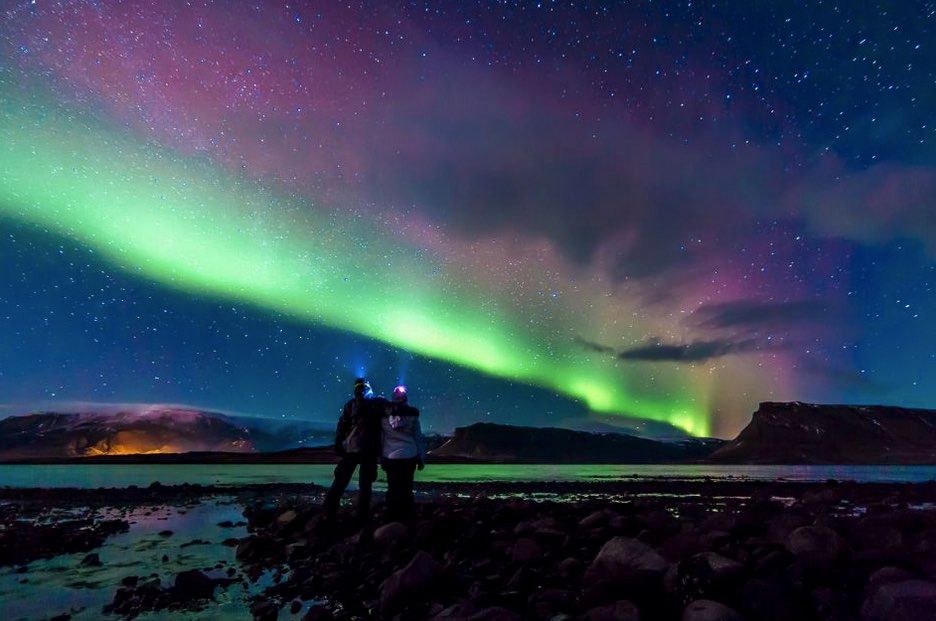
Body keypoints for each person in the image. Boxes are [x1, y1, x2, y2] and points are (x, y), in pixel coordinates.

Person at [322, 377, 387, 522]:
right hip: (368, 448)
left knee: (343, 479)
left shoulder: (352, 404)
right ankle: (361, 515)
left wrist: (339, 441)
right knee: (364, 483)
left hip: (353, 447)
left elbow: (342, 424)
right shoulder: (377, 403)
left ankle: (329, 510)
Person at [380, 385, 425, 522]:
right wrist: (421, 458)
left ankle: (391, 517)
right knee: (407, 488)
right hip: (409, 455)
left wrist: (381, 458)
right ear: (405, 399)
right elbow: (418, 438)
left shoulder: (383, 417)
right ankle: (407, 517)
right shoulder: (413, 416)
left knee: (392, 488)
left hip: (390, 456)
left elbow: (381, 439)